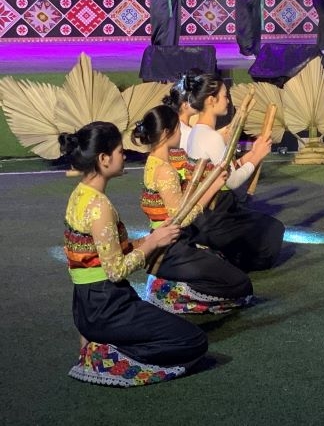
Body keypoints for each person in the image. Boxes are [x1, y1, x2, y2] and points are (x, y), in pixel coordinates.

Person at [61, 122, 207, 386]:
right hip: (107, 306)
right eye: (119, 151)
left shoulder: (79, 195)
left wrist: (152, 238)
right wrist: (153, 244)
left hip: (86, 306)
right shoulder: (99, 206)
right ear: (104, 159)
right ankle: (105, 355)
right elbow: (115, 270)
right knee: (193, 340)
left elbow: (105, 253)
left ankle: (99, 342)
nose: (124, 155)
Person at [132, 106, 254, 314]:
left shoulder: (153, 161)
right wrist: (214, 185)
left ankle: (171, 283)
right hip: (171, 247)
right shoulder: (164, 170)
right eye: (178, 128)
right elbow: (183, 218)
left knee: (221, 259)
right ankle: (171, 293)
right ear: (167, 133)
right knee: (241, 285)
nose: (181, 133)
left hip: (167, 242)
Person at [186, 73, 284, 271]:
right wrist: (257, 155)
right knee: (273, 230)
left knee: (264, 225)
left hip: (202, 214)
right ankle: (224, 259)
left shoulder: (196, 131)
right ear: (211, 100)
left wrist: (253, 153)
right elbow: (233, 181)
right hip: (215, 216)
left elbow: (223, 169)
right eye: (225, 96)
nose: (228, 101)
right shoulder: (212, 137)